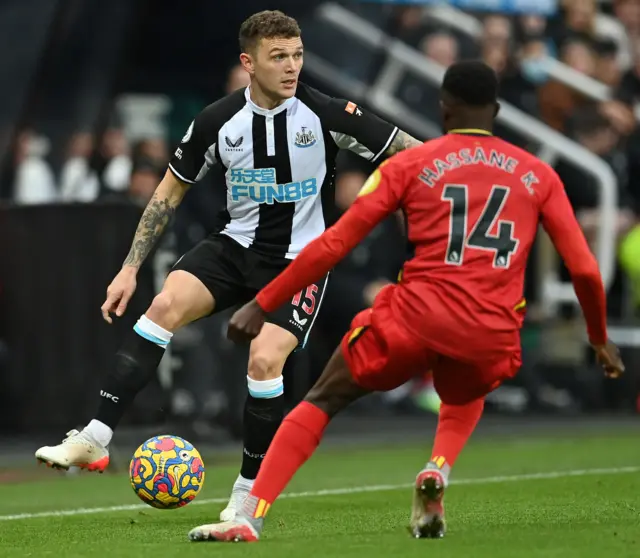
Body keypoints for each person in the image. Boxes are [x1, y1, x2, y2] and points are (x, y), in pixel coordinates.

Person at [187, 60, 625, 543]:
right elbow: (584, 267)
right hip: (491, 329)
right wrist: (599, 339)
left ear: (443, 108)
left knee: (324, 397)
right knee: (467, 388)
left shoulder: (409, 165)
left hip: (415, 318)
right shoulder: (538, 174)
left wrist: (263, 301)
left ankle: (250, 515)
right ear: (496, 110)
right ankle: (438, 467)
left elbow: (334, 244)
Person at [34, 10, 421, 521]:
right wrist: (130, 268)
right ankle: (95, 438)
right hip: (236, 247)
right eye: (277, 57)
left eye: (297, 55)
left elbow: (412, 152)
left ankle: (246, 493)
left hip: (300, 262)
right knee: (163, 305)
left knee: (263, 360)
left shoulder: (328, 113)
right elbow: (167, 195)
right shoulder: (217, 121)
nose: (291, 67)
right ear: (249, 62)